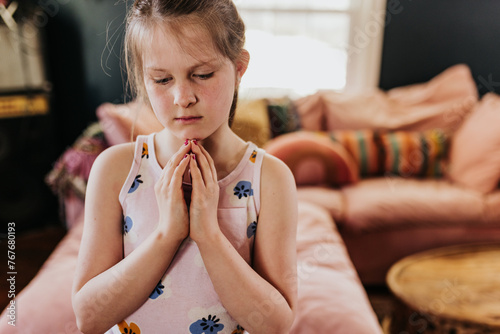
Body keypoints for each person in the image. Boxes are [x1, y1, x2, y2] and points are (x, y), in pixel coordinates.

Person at [71, 0, 298, 333]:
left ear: (238, 68)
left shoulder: (270, 179)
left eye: (202, 74)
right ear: (143, 78)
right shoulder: (115, 170)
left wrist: (208, 235)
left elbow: (276, 324)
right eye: (162, 80)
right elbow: (89, 318)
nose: (182, 97)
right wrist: (167, 234)